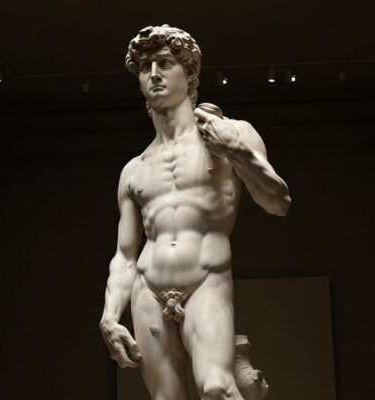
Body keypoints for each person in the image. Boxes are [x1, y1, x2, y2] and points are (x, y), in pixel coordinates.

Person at [99, 25, 291, 400]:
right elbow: (124, 255)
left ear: (188, 73)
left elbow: (278, 202)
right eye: (145, 67)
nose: (154, 74)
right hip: (147, 290)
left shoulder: (232, 134)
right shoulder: (135, 169)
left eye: (165, 63)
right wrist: (109, 316)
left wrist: (236, 151)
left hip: (206, 279)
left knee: (217, 388)